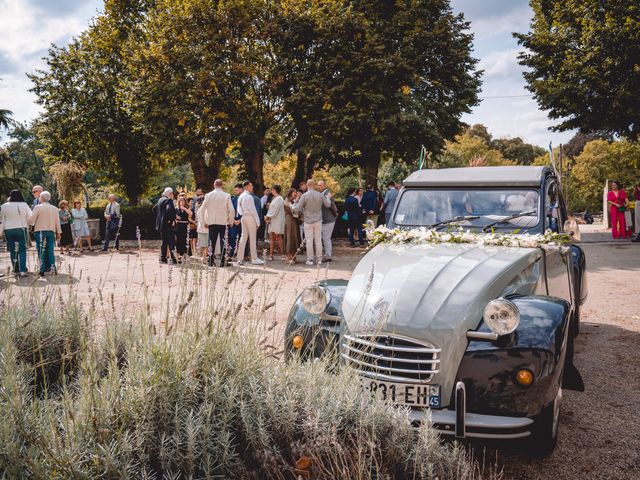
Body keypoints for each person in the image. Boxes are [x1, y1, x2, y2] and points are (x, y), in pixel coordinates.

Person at [295, 179, 332, 265]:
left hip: (308, 220)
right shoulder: (319, 195)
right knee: (318, 240)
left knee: (309, 240)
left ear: (307, 185)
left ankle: (310, 259)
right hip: (318, 220)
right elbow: (328, 204)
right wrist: (328, 198)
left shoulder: (304, 196)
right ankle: (319, 259)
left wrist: (291, 206)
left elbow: (298, 208)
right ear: (314, 185)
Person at [202, 179, 235, 267]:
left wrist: (204, 221)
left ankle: (210, 260)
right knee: (224, 242)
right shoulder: (226, 195)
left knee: (211, 242)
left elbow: (202, 209)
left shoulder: (208, 195)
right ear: (222, 185)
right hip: (223, 222)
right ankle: (223, 261)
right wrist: (231, 221)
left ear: (214, 185)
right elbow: (231, 210)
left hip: (212, 222)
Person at [0, 189, 32, 276]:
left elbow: (1, 218)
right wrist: (28, 224)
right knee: (22, 250)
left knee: (13, 250)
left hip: (8, 229)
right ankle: (22, 270)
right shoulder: (24, 205)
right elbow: (30, 217)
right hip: (21, 228)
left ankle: (15, 269)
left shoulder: (4, 206)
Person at [30, 191, 61, 276]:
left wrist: (26, 220)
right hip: (51, 231)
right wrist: (59, 232)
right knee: (50, 250)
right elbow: (57, 221)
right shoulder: (54, 208)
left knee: (41, 250)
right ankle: (53, 268)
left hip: (40, 231)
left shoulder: (37, 207)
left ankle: (42, 269)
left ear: (42, 198)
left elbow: (32, 220)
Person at [236, 181, 264, 265]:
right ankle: (254, 258)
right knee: (252, 237)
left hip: (243, 217)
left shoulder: (241, 196)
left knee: (243, 237)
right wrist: (258, 221)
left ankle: (239, 258)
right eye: (251, 186)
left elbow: (239, 210)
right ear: (247, 187)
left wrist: (243, 214)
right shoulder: (249, 197)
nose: (252, 187)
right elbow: (253, 210)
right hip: (250, 217)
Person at [153, 187, 178, 264]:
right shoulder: (168, 200)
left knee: (164, 242)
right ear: (170, 194)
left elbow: (154, 209)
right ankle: (174, 259)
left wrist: (160, 218)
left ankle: (162, 258)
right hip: (168, 225)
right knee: (171, 242)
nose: (172, 195)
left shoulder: (160, 200)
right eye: (172, 193)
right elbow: (169, 210)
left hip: (162, 225)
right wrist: (171, 219)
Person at [317, 180, 338, 262]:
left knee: (326, 238)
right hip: (326, 219)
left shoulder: (327, 193)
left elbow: (332, 205)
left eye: (320, 185)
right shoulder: (323, 193)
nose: (319, 187)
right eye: (318, 185)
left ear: (324, 185)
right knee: (325, 238)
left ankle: (328, 255)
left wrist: (335, 214)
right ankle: (327, 255)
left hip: (328, 219)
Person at [265, 185, 285, 260]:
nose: (271, 191)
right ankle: (271, 255)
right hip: (272, 220)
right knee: (271, 237)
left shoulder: (279, 199)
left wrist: (267, 216)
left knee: (279, 237)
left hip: (277, 220)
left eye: (272, 189)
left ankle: (283, 254)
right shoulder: (275, 198)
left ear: (274, 190)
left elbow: (275, 210)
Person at [284, 188, 301, 263]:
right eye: (294, 193)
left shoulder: (293, 201)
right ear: (290, 193)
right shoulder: (286, 201)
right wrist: (296, 202)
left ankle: (294, 255)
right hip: (289, 220)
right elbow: (292, 209)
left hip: (294, 220)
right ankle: (288, 256)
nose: (296, 194)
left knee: (295, 237)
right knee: (290, 237)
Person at [229, 183, 243, 259]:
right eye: (234, 190)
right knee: (232, 237)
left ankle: (244, 254)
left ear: (241, 189)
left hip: (242, 221)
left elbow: (247, 211)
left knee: (243, 238)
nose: (235, 192)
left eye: (237, 190)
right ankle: (231, 254)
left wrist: (241, 220)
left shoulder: (245, 198)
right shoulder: (232, 199)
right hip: (234, 221)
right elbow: (229, 211)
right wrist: (233, 220)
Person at [194, 196, 209, 260]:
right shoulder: (204, 209)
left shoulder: (198, 209)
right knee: (206, 243)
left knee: (202, 243)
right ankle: (204, 256)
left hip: (200, 227)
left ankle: (203, 256)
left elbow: (197, 219)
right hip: (205, 227)